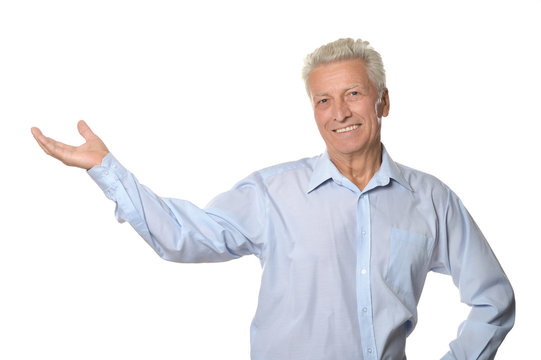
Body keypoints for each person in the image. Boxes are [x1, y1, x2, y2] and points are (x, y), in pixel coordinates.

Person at [31, 38, 514, 360]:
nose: (339, 112)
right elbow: (180, 236)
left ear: (383, 101)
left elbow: (493, 300)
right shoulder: (272, 193)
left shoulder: (431, 201)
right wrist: (105, 169)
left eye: (353, 94)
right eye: (323, 100)